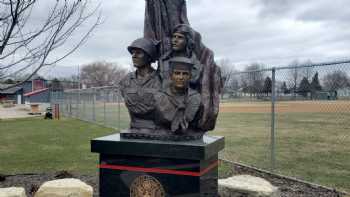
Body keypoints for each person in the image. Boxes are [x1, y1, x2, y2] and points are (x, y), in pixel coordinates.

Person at [119, 38, 161, 131]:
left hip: (156, 128)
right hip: (134, 127)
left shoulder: (161, 80)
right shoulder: (125, 81)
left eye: (138, 53)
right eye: (133, 53)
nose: (134, 56)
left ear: (149, 56)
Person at [155, 57, 202, 134]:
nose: (181, 77)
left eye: (185, 74)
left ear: (190, 76)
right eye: (177, 73)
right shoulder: (160, 97)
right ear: (171, 76)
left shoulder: (196, 97)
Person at [158, 24, 203, 91]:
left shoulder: (196, 65)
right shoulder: (163, 61)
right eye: (174, 37)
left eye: (180, 37)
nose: (175, 40)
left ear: (188, 41)